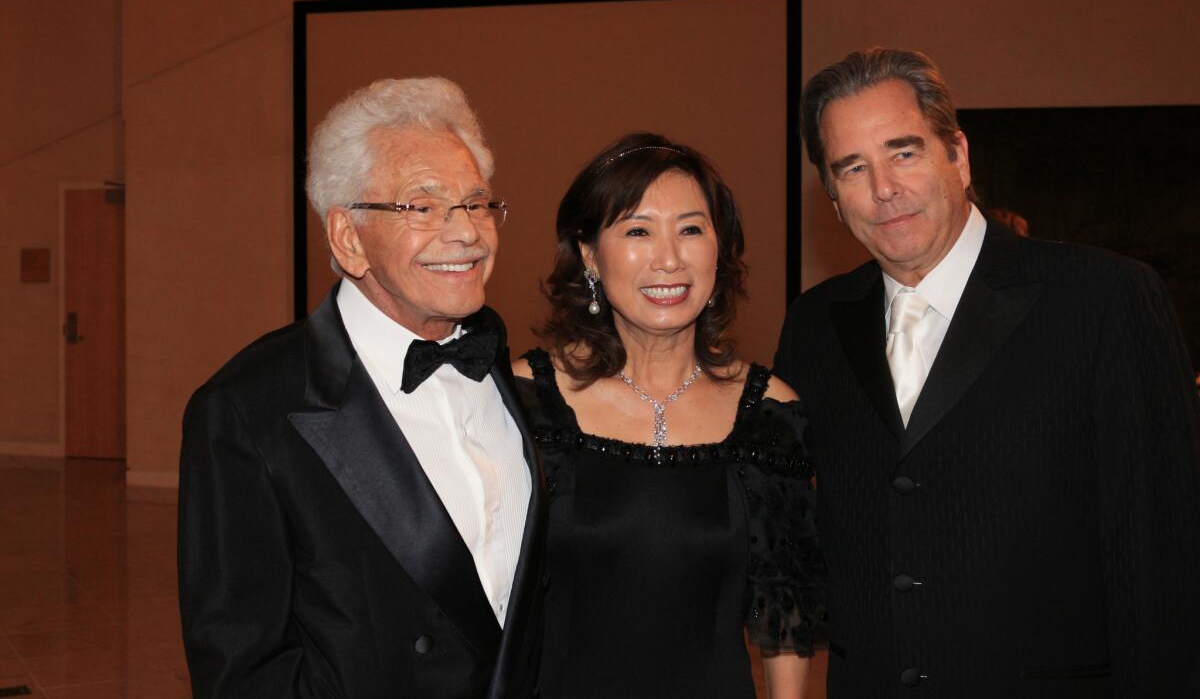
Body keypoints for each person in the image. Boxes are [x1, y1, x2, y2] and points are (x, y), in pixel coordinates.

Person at [774, 48, 1200, 697]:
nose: (883, 188)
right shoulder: (814, 326)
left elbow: (1163, 559)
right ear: (832, 198)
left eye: (904, 152)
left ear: (959, 156)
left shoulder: (1103, 300)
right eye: (853, 168)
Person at [178, 77, 545, 698]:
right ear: (348, 237)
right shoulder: (248, 409)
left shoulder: (524, 380)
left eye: (477, 203)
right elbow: (243, 670)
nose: (468, 234)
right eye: (422, 206)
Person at [512, 133, 825, 699]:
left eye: (691, 229)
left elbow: (787, 615)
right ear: (588, 253)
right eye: (637, 230)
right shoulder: (525, 400)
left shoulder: (769, 411)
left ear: (719, 250)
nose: (669, 259)